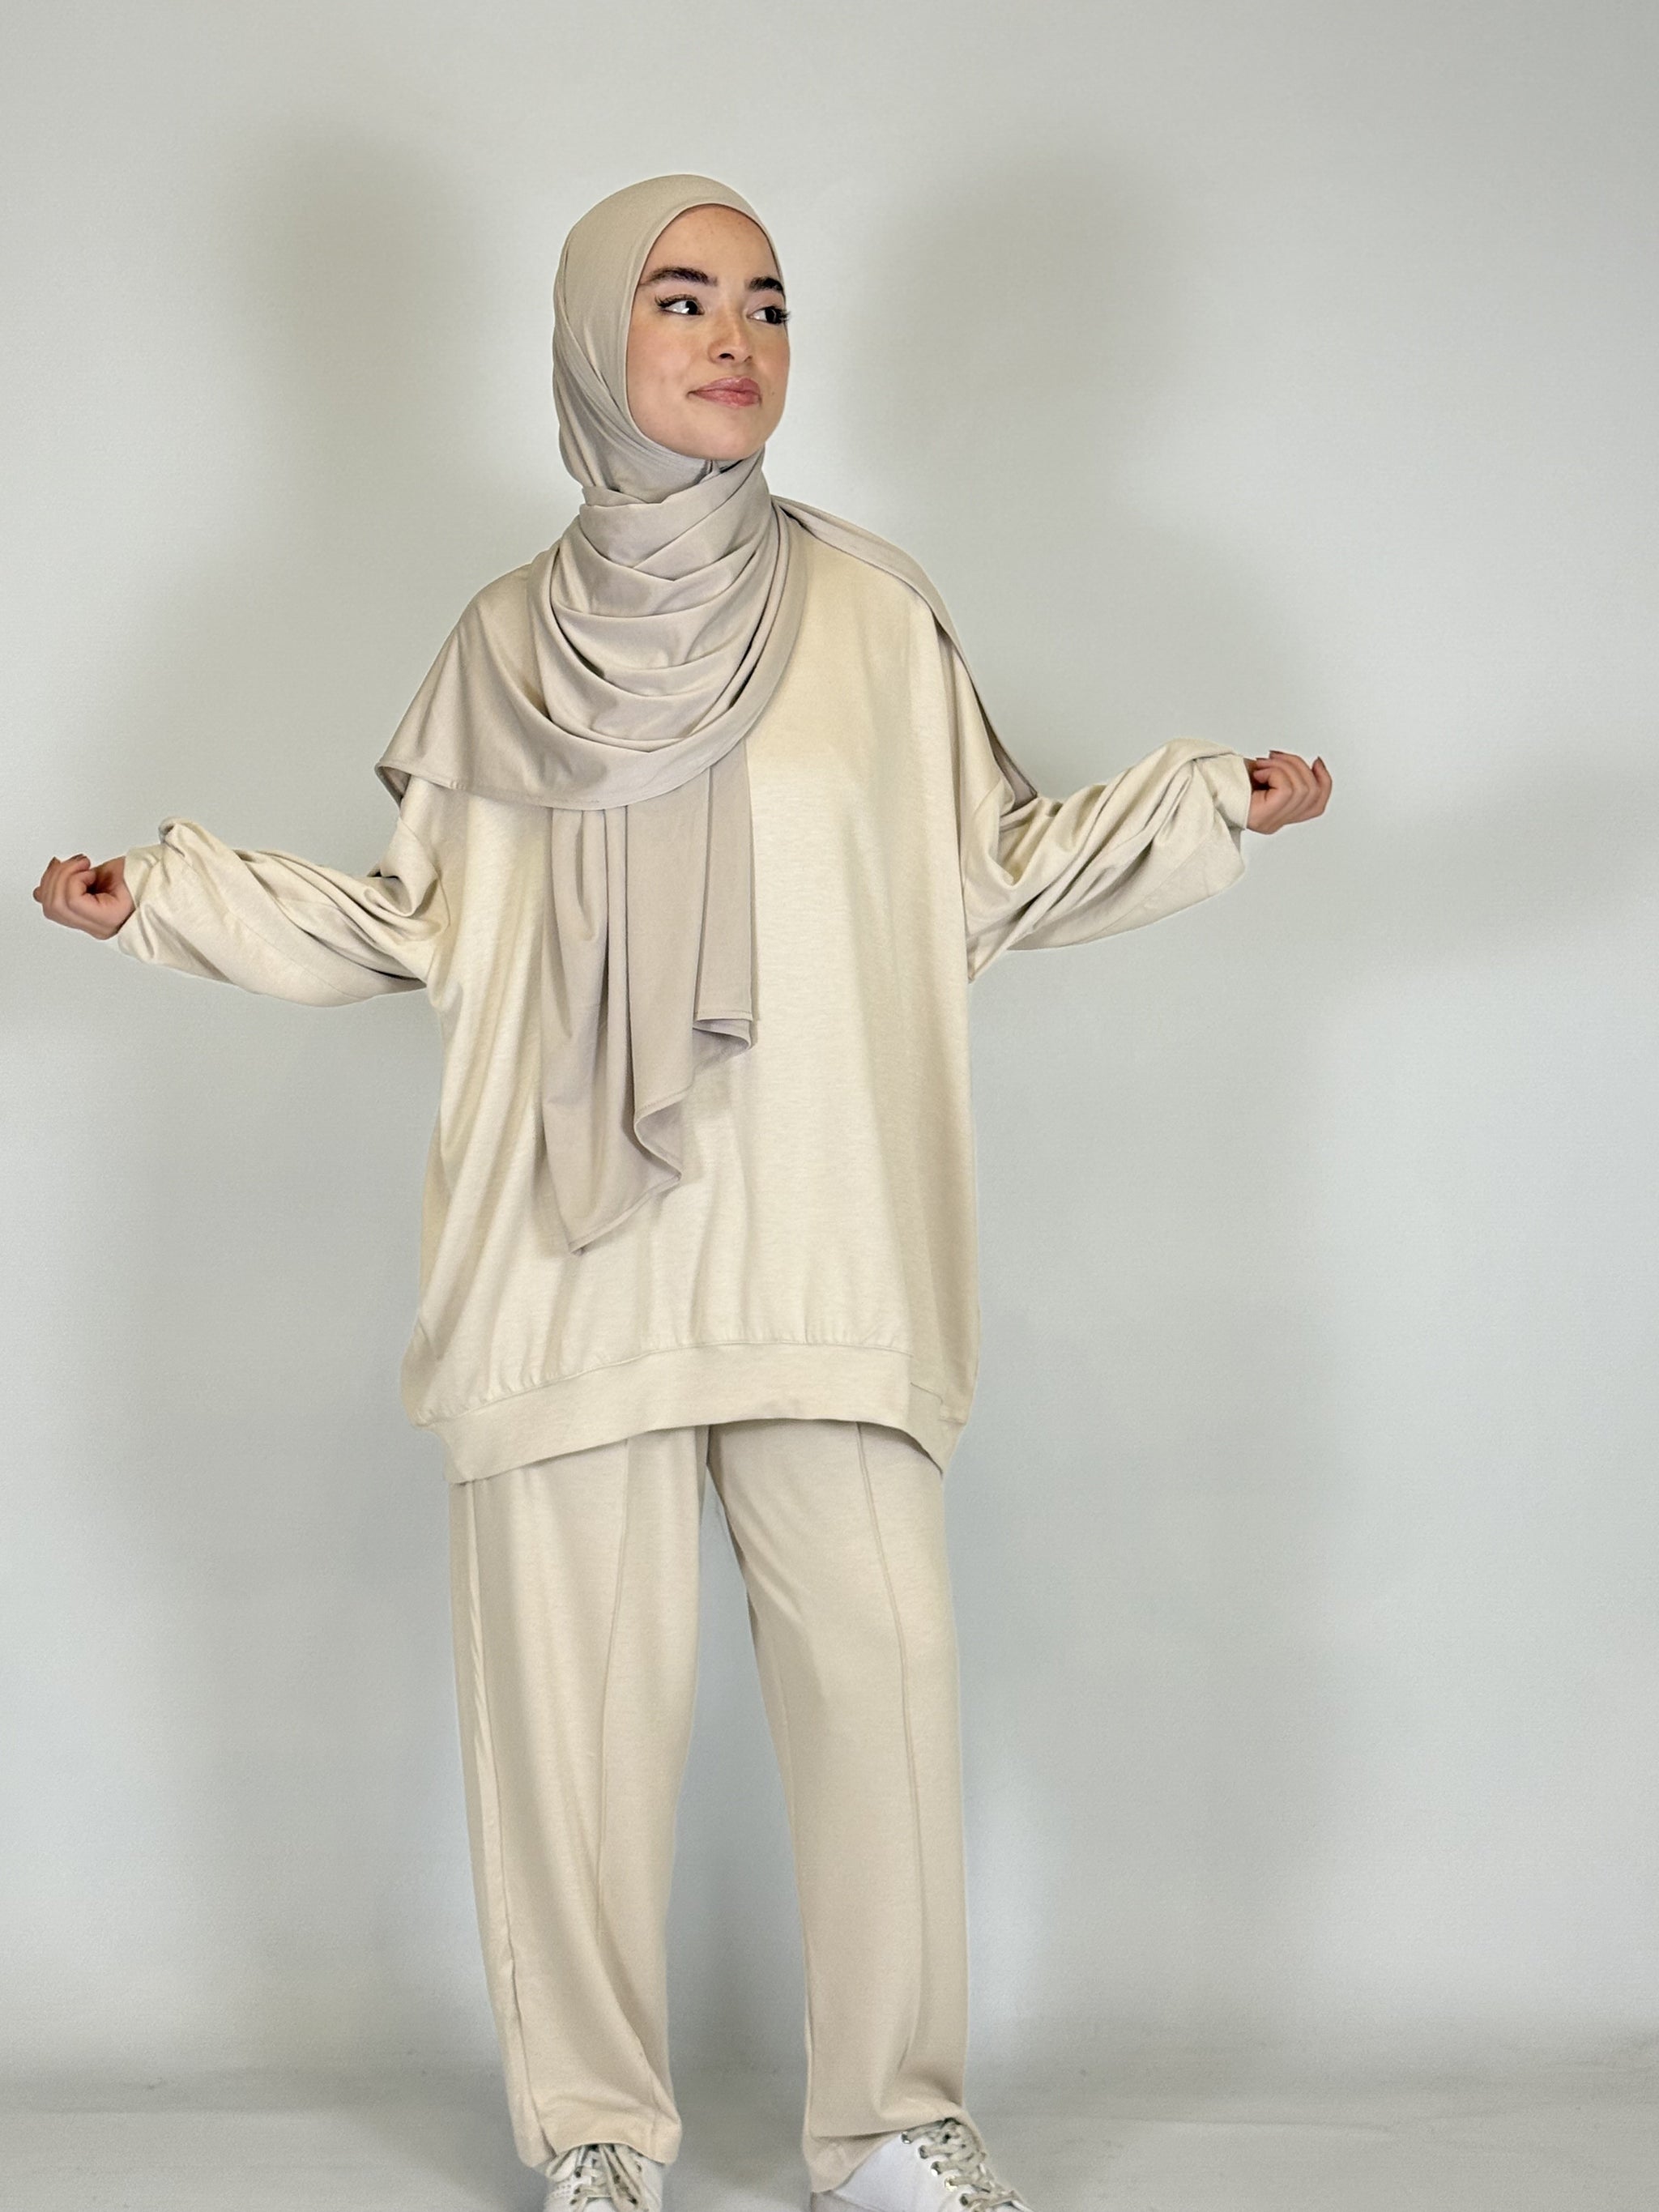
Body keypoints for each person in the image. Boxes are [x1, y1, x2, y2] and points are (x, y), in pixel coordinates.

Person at [34, 174, 1330, 2212]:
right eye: (681, 298)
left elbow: (987, 873)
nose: (735, 338)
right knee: (568, 1726)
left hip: (825, 1233)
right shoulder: (501, 646)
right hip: (567, 1254)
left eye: (769, 303)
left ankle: (888, 2122)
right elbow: (414, 923)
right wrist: (169, 902)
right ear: (590, 339)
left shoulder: (876, 616)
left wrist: (1201, 805)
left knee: (882, 1684)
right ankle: (595, 2137)